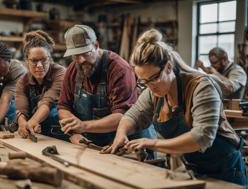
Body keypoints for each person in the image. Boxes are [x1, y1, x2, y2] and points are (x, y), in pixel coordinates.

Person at [102, 29, 247, 185]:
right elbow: (132, 116)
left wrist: (152, 143)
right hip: (193, 169)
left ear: (169, 67)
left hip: (225, 169)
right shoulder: (154, 92)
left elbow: (202, 137)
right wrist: (121, 133)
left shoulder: (201, 86)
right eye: (143, 81)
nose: (150, 86)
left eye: (154, 78)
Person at [58, 25, 155, 147]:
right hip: (93, 143)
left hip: (129, 142)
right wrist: (72, 129)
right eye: (76, 55)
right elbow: (63, 106)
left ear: (96, 45)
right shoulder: (73, 69)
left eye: (85, 53)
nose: (81, 60)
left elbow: (123, 116)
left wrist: (83, 126)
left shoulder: (119, 69)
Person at [15, 30, 68, 140]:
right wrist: (22, 123)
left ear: (49, 59)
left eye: (44, 60)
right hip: (38, 130)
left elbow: (48, 101)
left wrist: (33, 121)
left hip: (60, 130)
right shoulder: (23, 80)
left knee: (54, 113)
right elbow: (21, 109)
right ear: (26, 61)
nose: (39, 65)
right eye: (34, 61)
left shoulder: (60, 73)